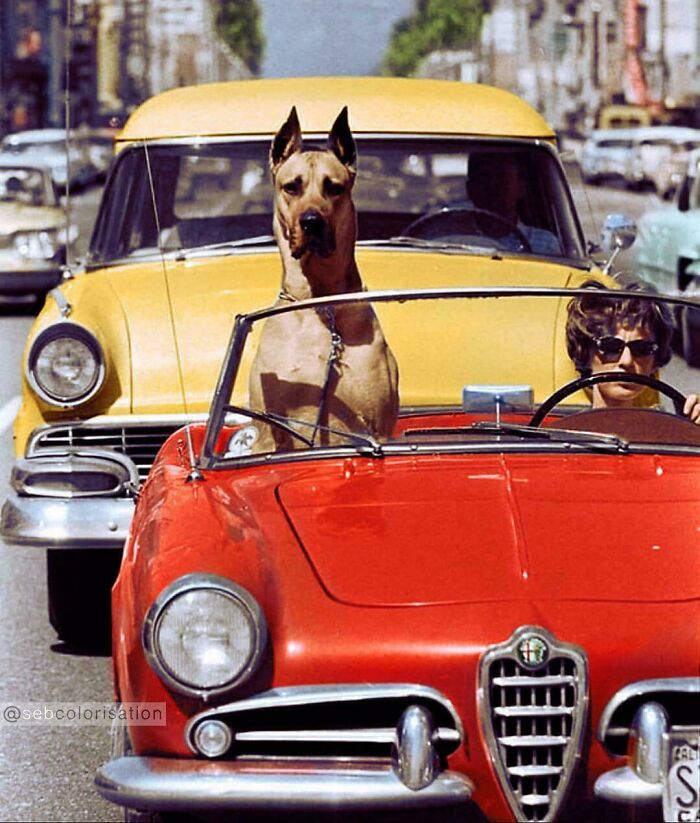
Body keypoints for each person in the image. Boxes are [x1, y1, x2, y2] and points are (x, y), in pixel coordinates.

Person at [566, 280, 700, 422]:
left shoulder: (666, 432)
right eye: (610, 347)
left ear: (654, 362)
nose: (627, 361)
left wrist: (689, 429)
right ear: (586, 353)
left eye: (642, 349)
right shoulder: (563, 437)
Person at [465, 152, 561, 254]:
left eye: (502, 177)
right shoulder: (451, 238)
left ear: (520, 188)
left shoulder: (545, 245)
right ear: (470, 189)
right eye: (484, 177)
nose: (493, 186)